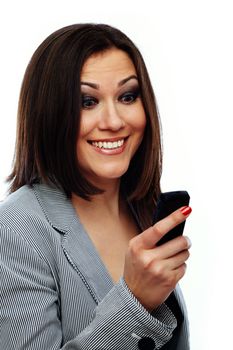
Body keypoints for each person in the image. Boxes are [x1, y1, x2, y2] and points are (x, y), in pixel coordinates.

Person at [0, 23, 192, 349]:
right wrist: (135, 302)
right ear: (50, 114)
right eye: (87, 102)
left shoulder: (145, 211)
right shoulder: (15, 230)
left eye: (128, 96)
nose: (114, 121)